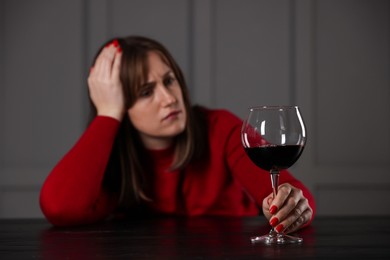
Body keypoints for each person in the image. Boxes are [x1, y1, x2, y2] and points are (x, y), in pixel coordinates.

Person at [40, 36, 315, 234]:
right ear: (121, 106)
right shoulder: (111, 154)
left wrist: (288, 207)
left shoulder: (220, 128)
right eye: (146, 92)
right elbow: (59, 208)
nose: (169, 98)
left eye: (169, 80)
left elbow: (297, 198)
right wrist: (107, 114)